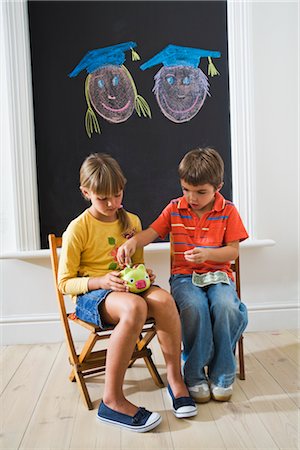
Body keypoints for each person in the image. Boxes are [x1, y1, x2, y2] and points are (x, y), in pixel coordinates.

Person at [58, 153, 197, 433]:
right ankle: (112, 401)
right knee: (135, 308)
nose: (112, 204)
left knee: (163, 299)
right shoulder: (79, 228)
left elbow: (137, 265)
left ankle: (175, 379)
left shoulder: (131, 221)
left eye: (117, 195)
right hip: (93, 296)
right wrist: (100, 281)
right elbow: (64, 283)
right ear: (86, 193)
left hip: (127, 290)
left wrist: (144, 276)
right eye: (102, 198)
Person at [117, 147, 248, 403]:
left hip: (218, 275)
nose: (192, 197)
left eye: (201, 192)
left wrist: (208, 255)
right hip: (185, 278)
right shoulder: (175, 208)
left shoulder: (228, 211)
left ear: (218, 187)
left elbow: (233, 252)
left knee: (225, 306)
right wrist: (133, 242)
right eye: (186, 189)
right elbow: (152, 232)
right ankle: (195, 374)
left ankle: (222, 373)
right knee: (194, 307)